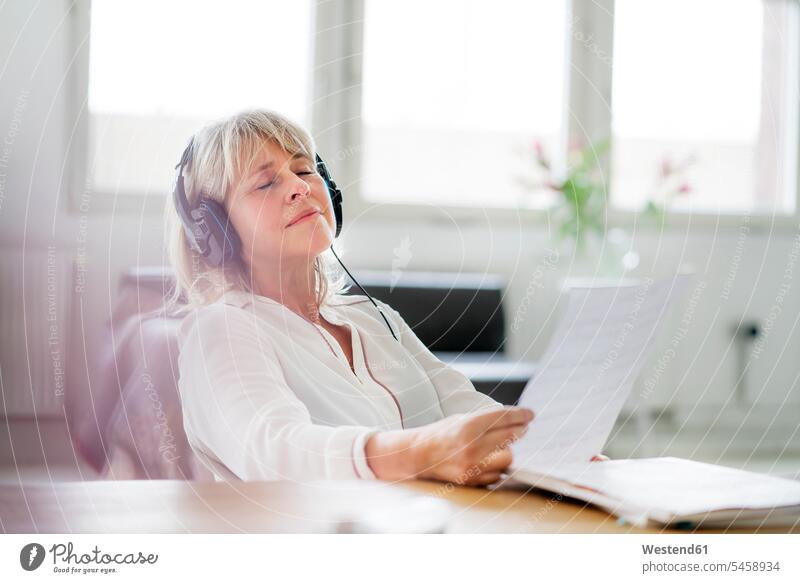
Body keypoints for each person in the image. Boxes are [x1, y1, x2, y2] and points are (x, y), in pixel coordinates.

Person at [165, 108, 540, 485]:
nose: (300, 187)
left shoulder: (375, 317)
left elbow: (466, 408)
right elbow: (275, 451)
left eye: (304, 170)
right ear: (213, 230)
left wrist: (552, 451)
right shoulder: (220, 329)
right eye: (265, 183)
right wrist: (421, 452)